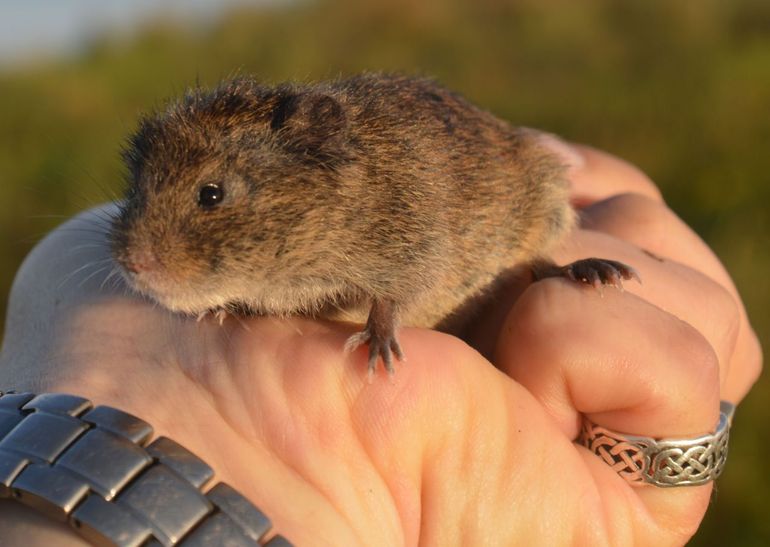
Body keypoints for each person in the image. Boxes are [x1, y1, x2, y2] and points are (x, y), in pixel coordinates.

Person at [0, 142, 761, 546]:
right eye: (139, 201)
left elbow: (411, 243)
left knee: (550, 227)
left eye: (206, 200)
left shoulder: (361, 202)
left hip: (497, 217)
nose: (134, 246)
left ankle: (550, 259)